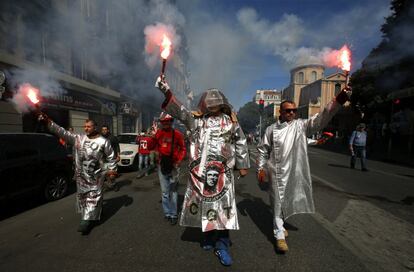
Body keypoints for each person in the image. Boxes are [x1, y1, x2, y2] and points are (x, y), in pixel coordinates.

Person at [155, 75, 250, 266]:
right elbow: (179, 111)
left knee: (223, 208)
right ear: (204, 104)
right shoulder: (197, 121)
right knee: (205, 205)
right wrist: (166, 91)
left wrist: (243, 164)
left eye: (216, 103)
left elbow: (240, 141)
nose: (212, 105)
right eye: (209, 102)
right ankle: (207, 237)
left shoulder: (231, 121)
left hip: (223, 174)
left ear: (222, 104)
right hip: (201, 173)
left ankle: (222, 244)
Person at [256, 87, 351, 253]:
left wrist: (337, 102)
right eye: (288, 110)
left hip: (294, 170)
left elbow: (321, 118)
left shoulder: (300, 126)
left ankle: (280, 223)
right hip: (276, 170)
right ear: (281, 111)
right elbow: (263, 150)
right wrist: (260, 169)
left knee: (286, 200)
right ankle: (279, 234)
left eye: (294, 110)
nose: (292, 113)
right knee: (277, 202)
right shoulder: (271, 129)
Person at [37, 115, 117, 235]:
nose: (86, 128)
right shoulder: (78, 138)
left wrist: (112, 171)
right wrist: (48, 122)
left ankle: (86, 221)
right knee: (84, 198)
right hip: (81, 176)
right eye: (85, 126)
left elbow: (111, 157)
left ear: (95, 127)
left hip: (96, 176)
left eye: (89, 126)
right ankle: (95, 211)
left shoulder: (103, 141)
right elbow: (62, 132)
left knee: (93, 196)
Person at [154, 112, 186, 226]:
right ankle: (167, 213)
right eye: (164, 122)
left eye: (168, 122)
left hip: (173, 166)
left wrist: (178, 161)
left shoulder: (177, 134)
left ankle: (173, 214)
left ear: (171, 122)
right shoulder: (158, 133)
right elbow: (154, 146)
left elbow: (183, 149)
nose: (166, 124)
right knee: (164, 192)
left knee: (173, 191)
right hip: (162, 165)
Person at [101, 125, 121, 191]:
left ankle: (114, 184)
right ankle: (111, 185)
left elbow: (117, 147)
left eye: (105, 129)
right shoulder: (100, 138)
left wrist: (118, 156)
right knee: (106, 174)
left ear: (108, 130)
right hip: (103, 159)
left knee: (112, 175)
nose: (104, 131)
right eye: (103, 130)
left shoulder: (113, 137)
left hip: (112, 158)